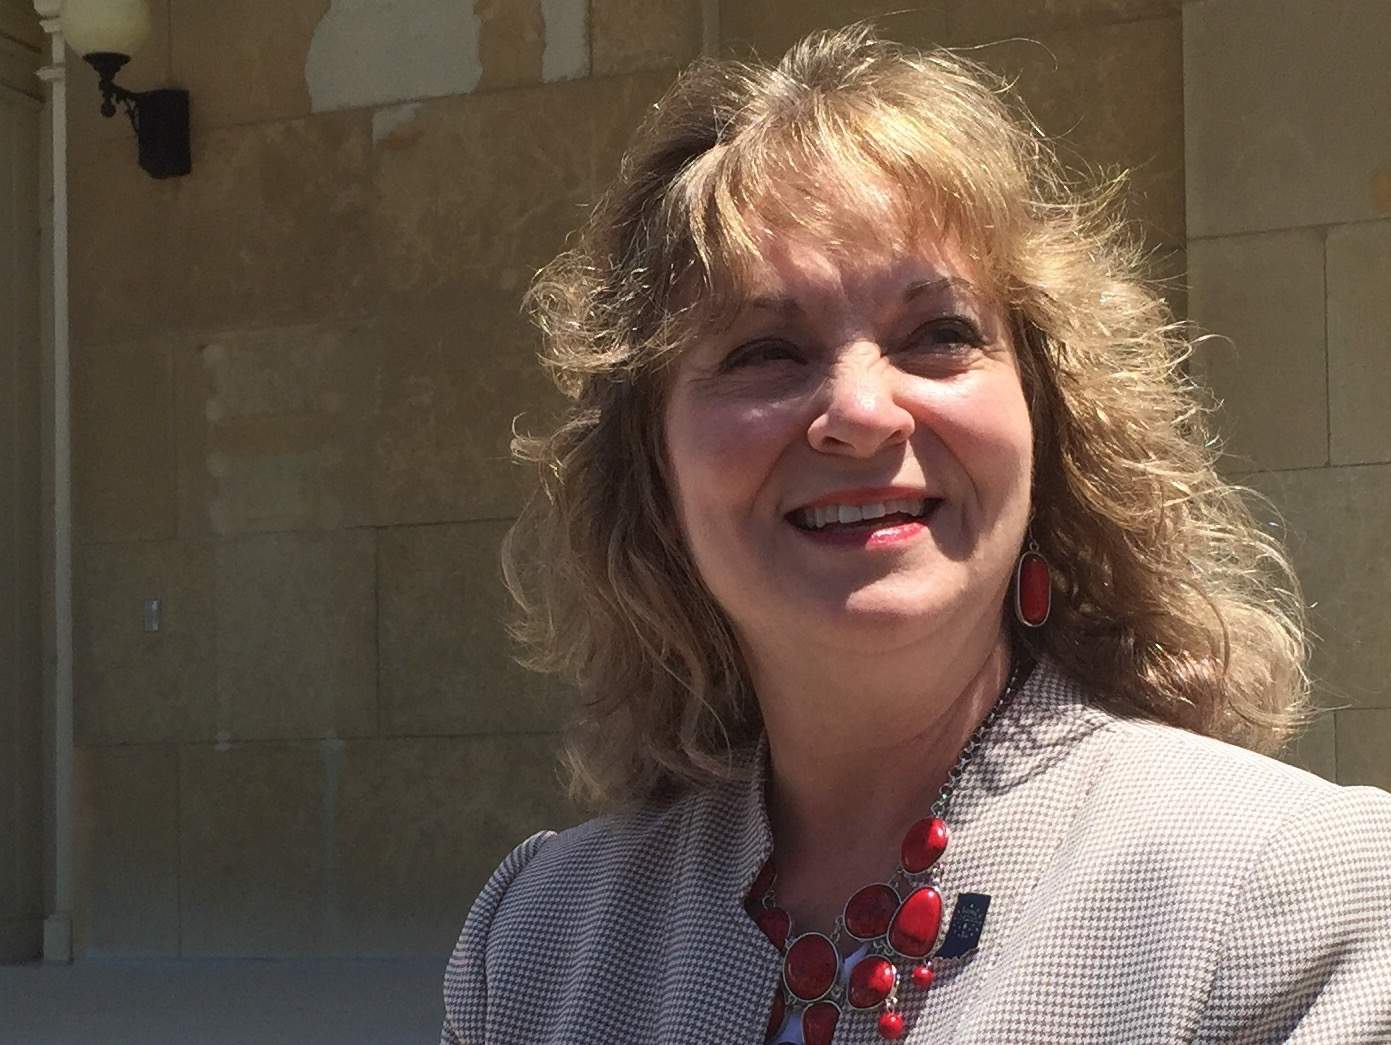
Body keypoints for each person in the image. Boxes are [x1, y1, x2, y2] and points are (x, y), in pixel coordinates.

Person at [440, 27, 1391, 1045]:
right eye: (765, 350)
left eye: (938, 335)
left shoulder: (1296, 896)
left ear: (1045, 425)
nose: (859, 412)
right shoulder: (537, 946)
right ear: (655, 476)